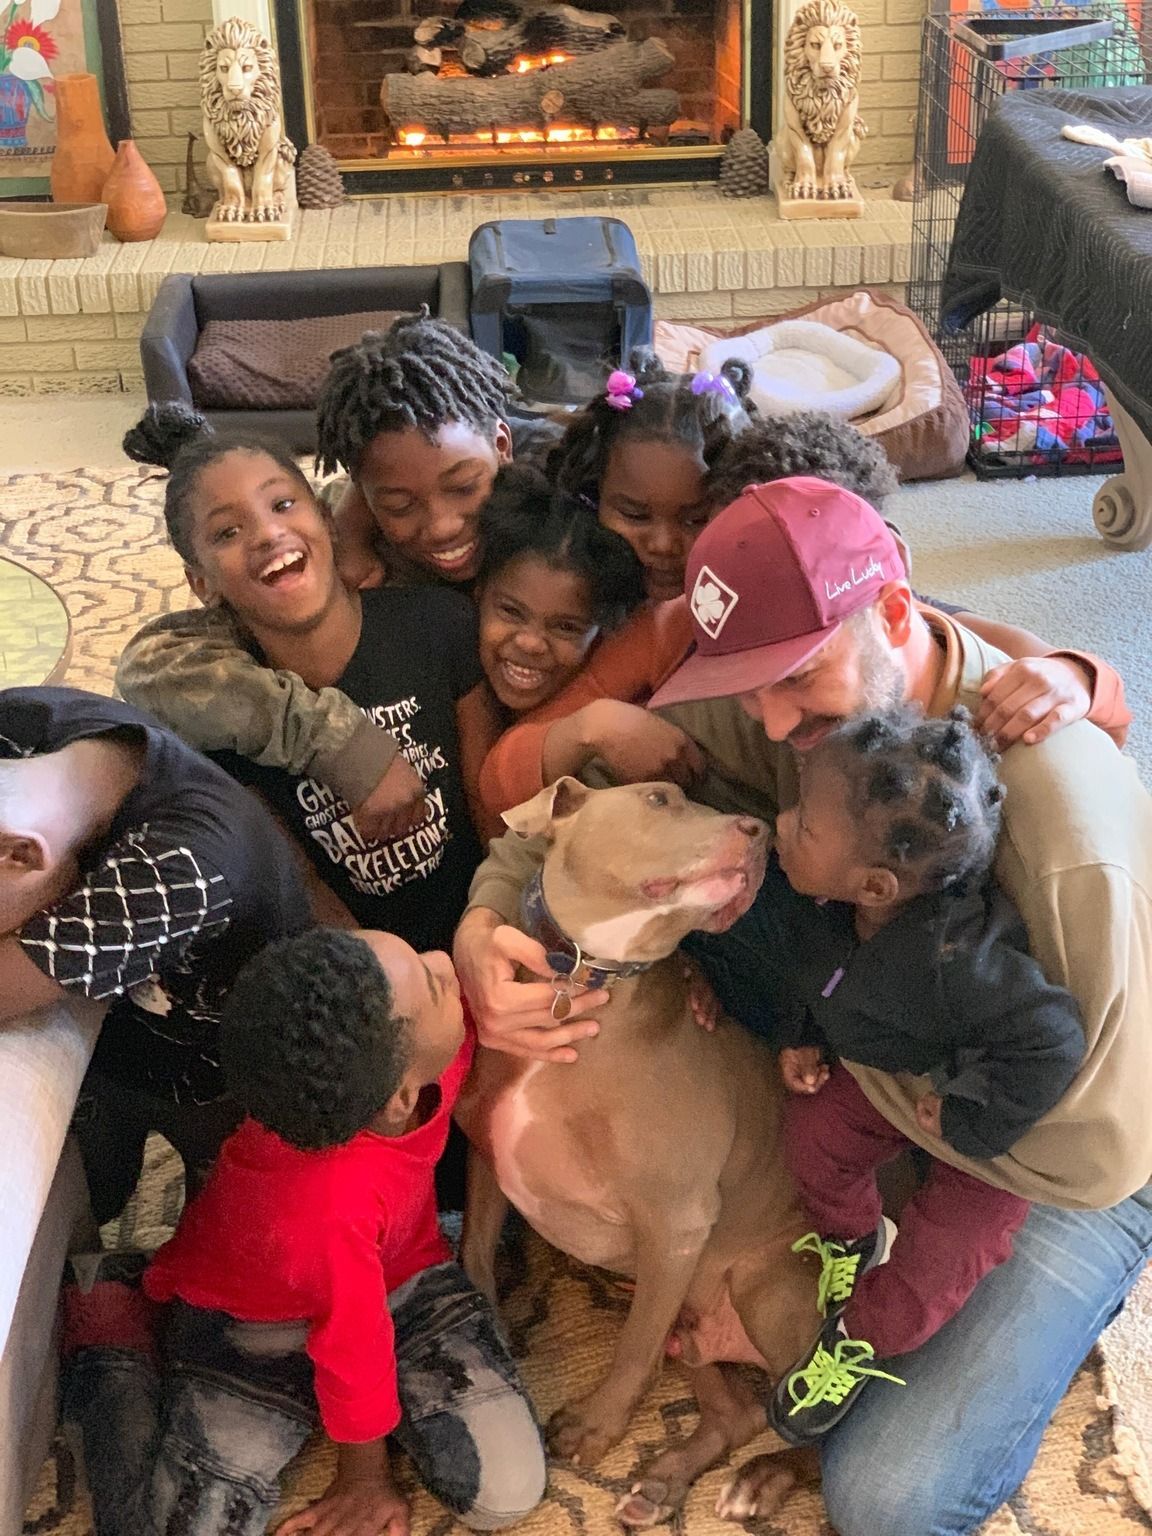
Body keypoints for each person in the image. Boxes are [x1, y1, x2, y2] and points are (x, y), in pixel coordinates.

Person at [453, 475, 1152, 1535]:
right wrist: (482, 925)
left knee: (886, 1497)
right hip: (878, 1014)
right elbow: (566, 819)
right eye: (746, 688)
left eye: (795, 678)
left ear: (896, 614)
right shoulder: (789, 710)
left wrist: (862, 1089)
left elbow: (1098, 1151)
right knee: (710, 888)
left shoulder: (1067, 843)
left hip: (1075, 1134)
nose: (776, 723)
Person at [61, 926, 546, 1536]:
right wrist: (363, 1475)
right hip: (247, 1321)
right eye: (435, 983)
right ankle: (115, 1345)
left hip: (404, 1274)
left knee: (506, 1492)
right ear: (399, 1100)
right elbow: (353, 1342)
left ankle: (381, 1403)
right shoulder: (326, 1204)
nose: (444, 960)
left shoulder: (418, 1055)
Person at [742, 705, 1083, 1445]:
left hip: (993, 1121)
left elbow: (1053, 1041)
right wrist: (802, 1035)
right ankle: (851, 1238)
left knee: (944, 1255)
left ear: (875, 886)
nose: (781, 824)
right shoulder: (823, 902)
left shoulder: (958, 965)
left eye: (805, 825)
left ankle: (859, 1339)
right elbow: (812, 975)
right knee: (814, 1131)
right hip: (896, 1073)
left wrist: (968, 1120)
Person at [116, 406, 500, 956]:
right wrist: (378, 972)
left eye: (282, 504)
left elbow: (489, 807)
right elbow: (299, 881)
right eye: (227, 532)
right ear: (201, 584)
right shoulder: (222, 713)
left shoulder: (438, 625)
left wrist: (494, 925)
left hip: (482, 928)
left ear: (327, 519)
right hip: (362, 965)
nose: (267, 533)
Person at [0, 686, 309, 1224]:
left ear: (21, 853)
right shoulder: (22, 724)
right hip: (127, 1031)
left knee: (217, 1206)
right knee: (105, 1178)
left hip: (215, 1070)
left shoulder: (179, 868)